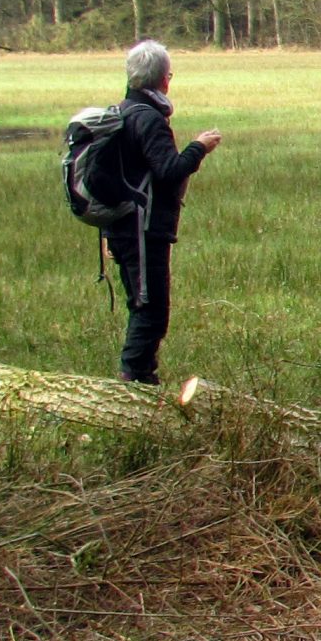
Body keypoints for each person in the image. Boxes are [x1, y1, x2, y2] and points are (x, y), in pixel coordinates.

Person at [106, 39, 222, 385]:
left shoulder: (123, 111)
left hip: (124, 227)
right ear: (163, 81)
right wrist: (198, 147)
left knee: (142, 306)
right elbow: (170, 171)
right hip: (142, 230)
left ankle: (141, 378)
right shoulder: (148, 120)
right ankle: (135, 382)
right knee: (151, 312)